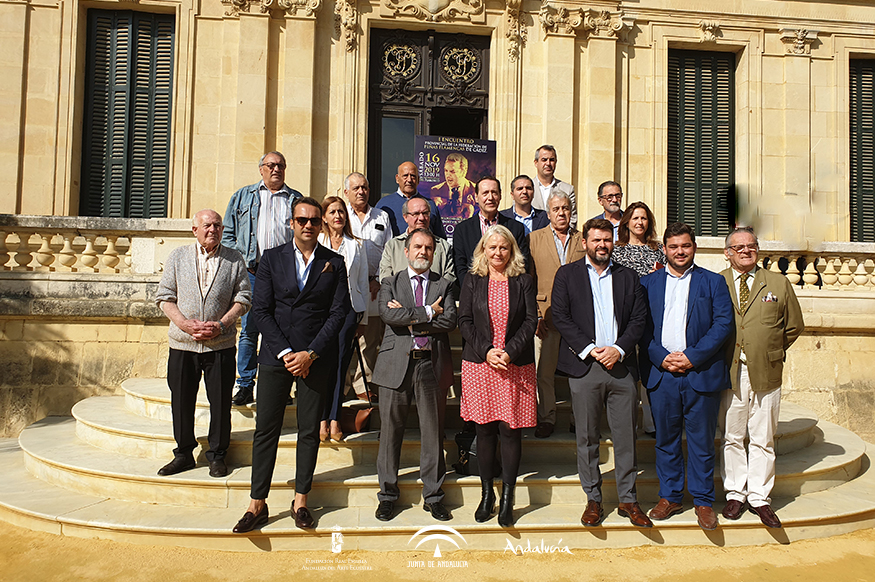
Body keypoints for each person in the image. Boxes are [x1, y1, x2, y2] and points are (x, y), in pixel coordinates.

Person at [232, 197, 351, 533]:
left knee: (309, 430)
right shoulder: (271, 259)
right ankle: (257, 502)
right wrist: (286, 352)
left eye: (315, 220)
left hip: (315, 358)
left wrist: (310, 354)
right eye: (302, 220)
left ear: (321, 224)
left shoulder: (335, 262)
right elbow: (261, 310)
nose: (308, 226)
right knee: (265, 430)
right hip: (275, 357)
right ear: (292, 223)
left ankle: (301, 499)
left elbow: (338, 313)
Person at [551, 218, 651, 528]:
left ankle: (628, 499)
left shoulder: (628, 277)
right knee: (587, 437)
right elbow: (560, 316)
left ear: (613, 241)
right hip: (584, 367)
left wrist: (619, 349)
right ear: (584, 242)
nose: (602, 245)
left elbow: (639, 319)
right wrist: (591, 348)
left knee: (626, 438)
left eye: (607, 240)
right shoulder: (567, 275)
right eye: (596, 240)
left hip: (620, 367)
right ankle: (593, 498)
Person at [639, 222, 733, 531]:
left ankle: (704, 501)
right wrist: (661, 357)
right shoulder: (648, 283)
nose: (680, 252)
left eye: (686, 246)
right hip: (662, 374)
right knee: (666, 440)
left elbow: (722, 324)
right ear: (664, 249)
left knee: (702, 441)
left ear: (694, 247)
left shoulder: (713, 282)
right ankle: (670, 496)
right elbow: (640, 327)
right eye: (674, 246)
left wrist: (692, 356)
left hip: (700, 373)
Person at [155, 209, 251, 479]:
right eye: (207, 225)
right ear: (194, 230)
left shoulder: (234, 259)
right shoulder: (177, 257)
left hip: (219, 344)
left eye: (217, 225)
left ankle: (218, 455)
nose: (213, 230)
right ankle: (184, 453)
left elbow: (243, 298)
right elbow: (164, 297)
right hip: (182, 345)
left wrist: (221, 324)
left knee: (220, 403)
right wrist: (184, 324)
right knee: (182, 400)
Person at [720, 226, 804, 528]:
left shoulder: (778, 283)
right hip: (730, 372)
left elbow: (793, 326)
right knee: (732, 436)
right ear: (727, 253)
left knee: (763, 437)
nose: (746, 250)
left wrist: (769, 349)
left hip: (766, 372)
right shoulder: (718, 282)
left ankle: (759, 497)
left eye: (751, 246)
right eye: (739, 247)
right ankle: (734, 493)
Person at [372, 228, 457, 523]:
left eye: (429, 248)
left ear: (434, 253)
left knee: (432, 433)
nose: (423, 252)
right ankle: (387, 496)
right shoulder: (391, 284)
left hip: (430, 366)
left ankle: (433, 497)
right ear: (406, 251)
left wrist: (410, 317)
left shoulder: (443, 285)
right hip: (395, 366)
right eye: (418, 247)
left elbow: (449, 320)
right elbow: (388, 315)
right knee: (390, 433)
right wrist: (427, 312)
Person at [459, 225, 538, 527]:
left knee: (510, 430)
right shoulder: (472, 280)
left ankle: (507, 496)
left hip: (514, 365)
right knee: (485, 430)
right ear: (483, 249)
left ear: (512, 250)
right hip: (481, 364)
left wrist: (509, 352)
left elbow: (531, 320)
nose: (498, 253)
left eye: (503, 247)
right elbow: (464, 320)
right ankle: (486, 494)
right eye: (492, 247)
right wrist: (488, 350)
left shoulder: (524, 281)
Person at [222, 151, 302, 406]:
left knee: (284, 331)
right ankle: (245, 385)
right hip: (253, 274)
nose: (276, 169)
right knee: (249, 331)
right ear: (261, 169)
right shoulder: (243, 196)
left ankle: (281, 385)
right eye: (271, 165)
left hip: (285, 275)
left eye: (280, 165)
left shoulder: (295, 199)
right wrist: (241, 262)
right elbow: (228, 233)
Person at [528, 190, 586, 438]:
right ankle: (547, 418)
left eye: (565, 208)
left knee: (579, 371)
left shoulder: (583, 239)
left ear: (570, 212)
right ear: (548, 213)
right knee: (544, 372)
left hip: (578, 319)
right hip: (546, 316)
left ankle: (578, 419)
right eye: (556, 209)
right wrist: (536, 316)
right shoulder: (533, 239)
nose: (561, 213)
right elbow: (528, 282)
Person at [611, 201, 667, 436]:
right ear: (627, 222)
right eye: (635, 218)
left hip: (653, 316)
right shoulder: (616, 250)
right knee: (627, 372)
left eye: (643, 218)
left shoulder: (659, 249)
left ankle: (651, 423)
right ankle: (628, 423)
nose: (639, 222)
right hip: (624, 317)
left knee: (650, 369)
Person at [318, 196, 369, 442]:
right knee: (321, 365)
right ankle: (320, 419)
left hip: (349, 311)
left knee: (339, 366)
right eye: (333, 212)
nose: (338, 216)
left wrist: (362, 317)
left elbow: (362, 284)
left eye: (341, 211)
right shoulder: (316, 242)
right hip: (320, 313)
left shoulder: (356, 245)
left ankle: (335, 418)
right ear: (324, 217)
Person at [344, 172, 392, 401]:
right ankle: (343, 386)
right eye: (356, 188)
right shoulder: (341, 216)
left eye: (364, 187)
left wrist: (378, 279)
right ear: (346, 193)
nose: (361, 191)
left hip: (374, 285)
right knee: (345, 336)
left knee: (370, 339)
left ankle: (364, 383)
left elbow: (389, 251)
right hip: (347, 285)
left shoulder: (381, 216)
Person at [453, 176, 530, 287]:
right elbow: (460, 267)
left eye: (494, 193)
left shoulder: (515, 228)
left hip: (507, 292)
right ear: (476, 197)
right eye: (485, 193)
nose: (490, 198)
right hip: (474, 293)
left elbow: (522, 263)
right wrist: (472, 291)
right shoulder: (462, 230)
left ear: (500, 196)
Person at [379, 195, 456, 283]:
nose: (421, 218)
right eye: (416, 214)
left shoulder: (443, 246)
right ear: (405, 217)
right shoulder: (392, 246)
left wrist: (436, 294)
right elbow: (385, 278)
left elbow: (449, 277)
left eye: (425, 213)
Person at [376, 161, 445, 238]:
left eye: (413, 176)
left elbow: (440, 237)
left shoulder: (430, 204)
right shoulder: (384, 204)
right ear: (397, 179)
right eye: (405, 176)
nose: (409, 180)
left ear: (418, 180)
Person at [532, 145, 577, 229]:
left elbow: (572, 219)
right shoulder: (526, 188)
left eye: (551, 160)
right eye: (544, 160)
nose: (548, 163)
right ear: (536, 162)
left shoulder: (567, 189)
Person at [431, 153, 477, 219]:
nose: (448, 175)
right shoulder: (436, 190)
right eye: (446, 170)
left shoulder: (475, 190)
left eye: (452, 171)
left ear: (463, 172)